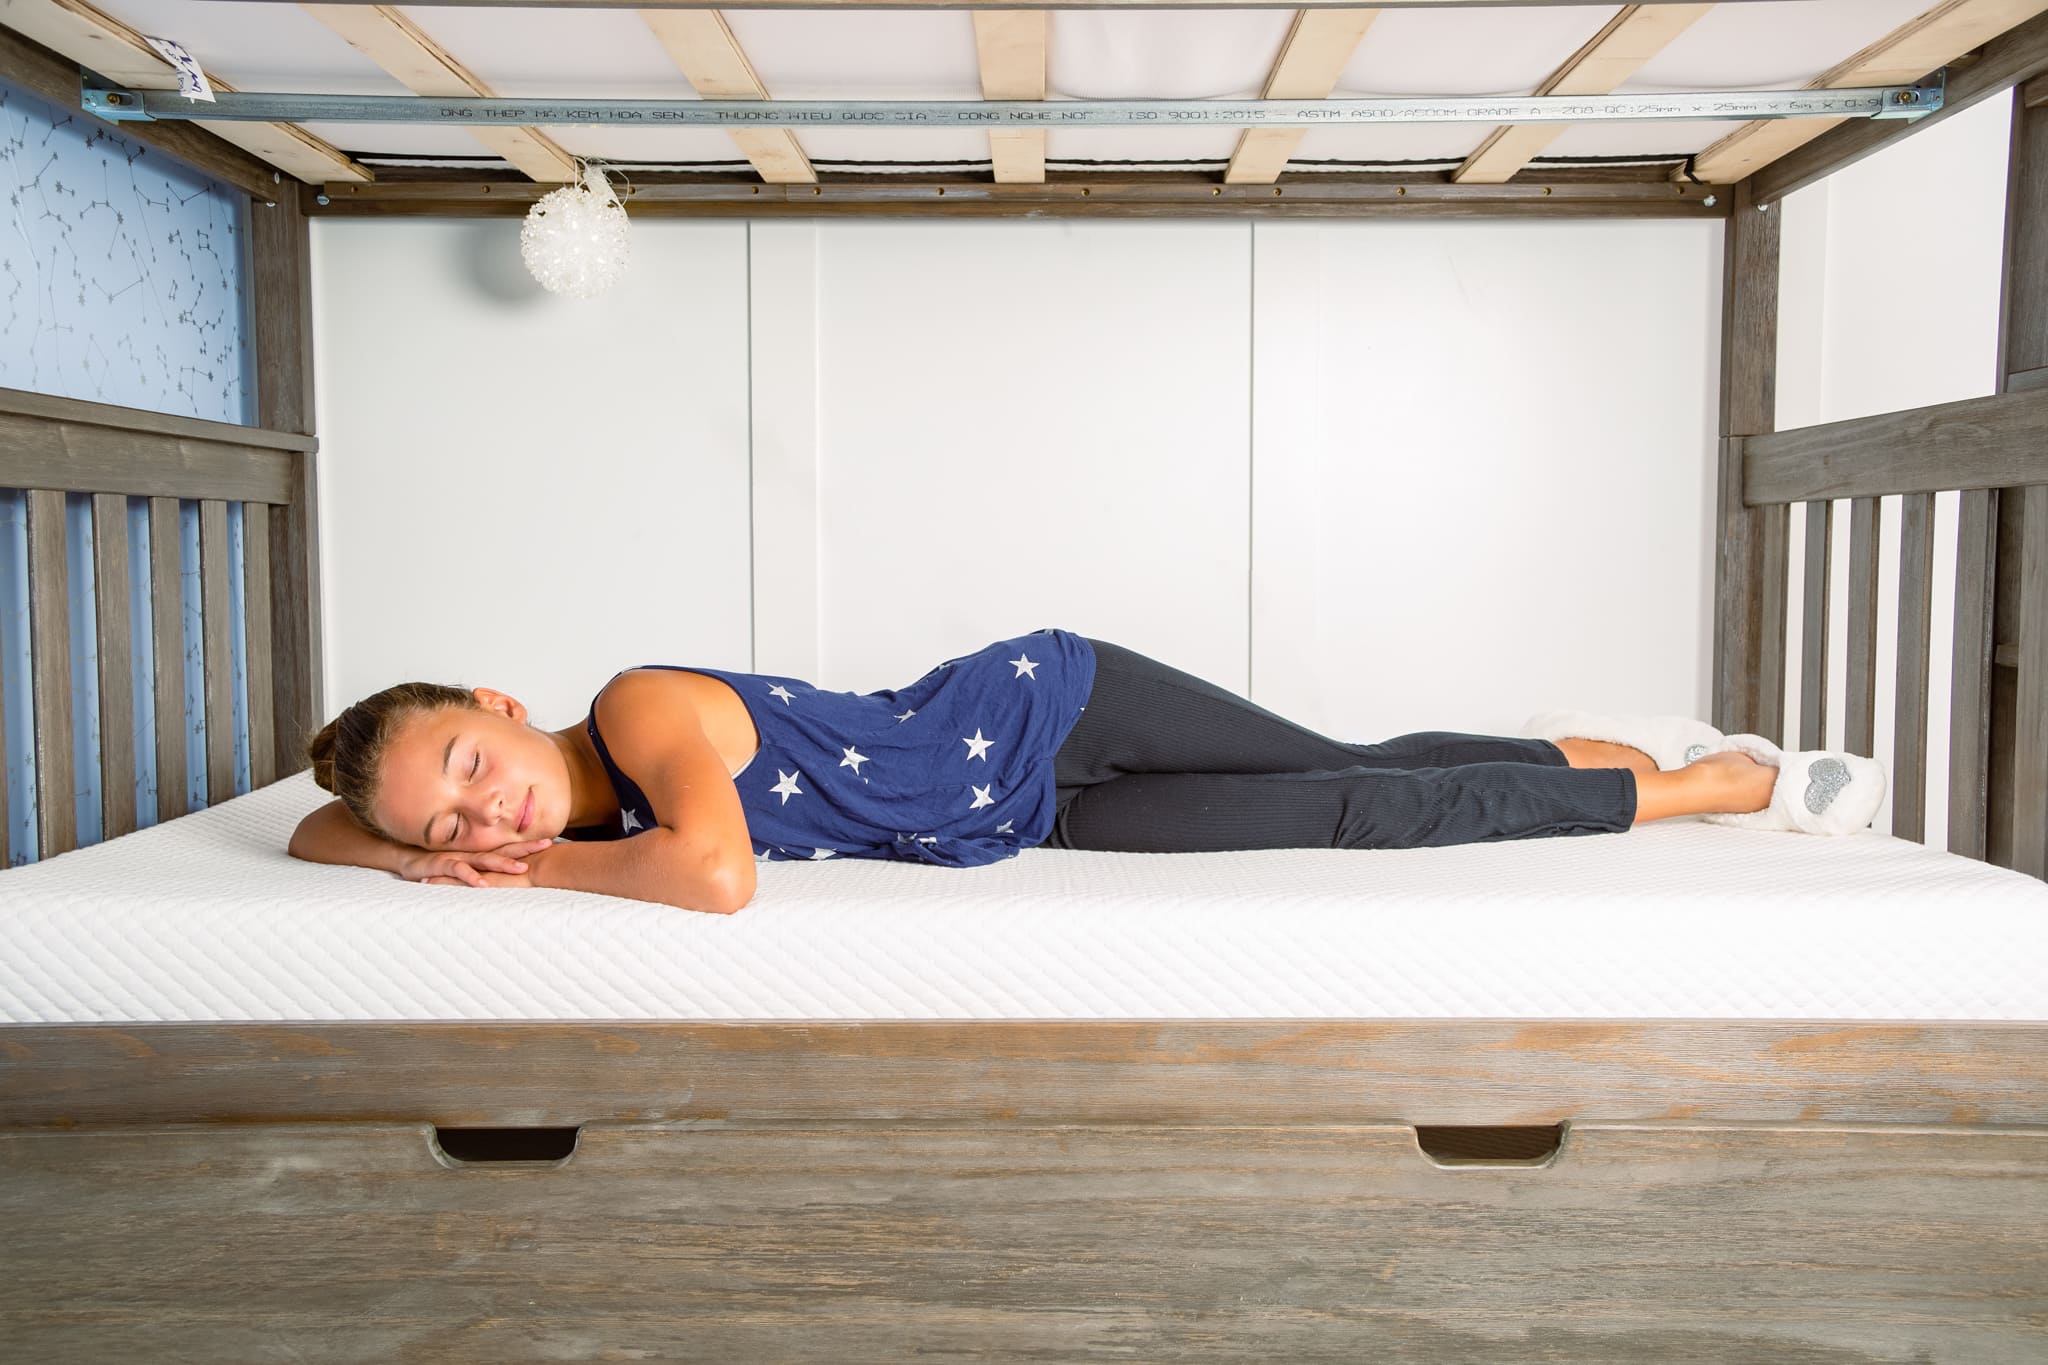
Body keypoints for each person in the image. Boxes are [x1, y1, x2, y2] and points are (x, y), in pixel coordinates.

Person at [289, 628, 1886, 915]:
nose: (486, 813)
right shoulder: (550, 805)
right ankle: (1597, 752)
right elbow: (309, 837)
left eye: (471, 765)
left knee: (1351, 777)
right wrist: (395, 843)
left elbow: (715, 879)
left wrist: (513, 867)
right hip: (1035, 811)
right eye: (454, 818)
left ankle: (1720, 784)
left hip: (1054, 708)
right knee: (1352, 805)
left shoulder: (631, 711)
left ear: (499, 701)